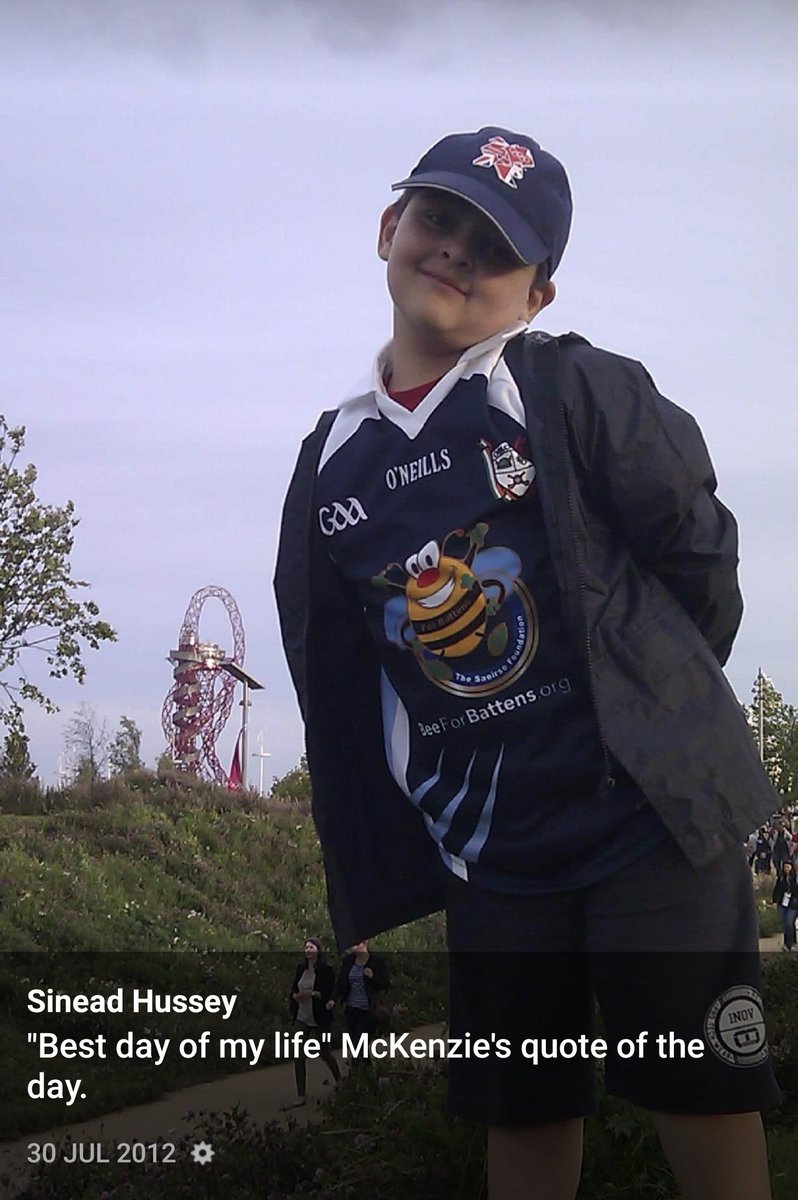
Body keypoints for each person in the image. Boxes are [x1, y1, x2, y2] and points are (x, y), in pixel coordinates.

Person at [275, 125, 781, 1198]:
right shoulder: (330, 462)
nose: (456, 250)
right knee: (525, 1104)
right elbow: (340, 671)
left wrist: (659, 711)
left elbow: (699, 563)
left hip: (647, 826)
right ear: (388, 229)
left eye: (494, 245)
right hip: (492, 859)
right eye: (438, 218)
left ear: (535, 295)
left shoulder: (576, 390)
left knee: (700, 1088)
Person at [286, 937, 340, 1107]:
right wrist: (295, 996)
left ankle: (340, 1080)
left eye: (311, 947)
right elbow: (295, 987)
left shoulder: (326, 970)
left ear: (318, 950)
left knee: (325, 1053)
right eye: (306, 947)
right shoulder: (301, 968)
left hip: (320, 1017)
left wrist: (311, 994)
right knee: (298, 1052)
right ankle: (301, 1094)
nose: (308, 950)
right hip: (303, 1016)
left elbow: (329, 992)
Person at [328, 939, 390, 1043]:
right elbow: (341, 982)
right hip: (351, 1009)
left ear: (365, 942)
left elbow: (385, 984)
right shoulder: (349, 961)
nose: (353, 946)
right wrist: (333, 999)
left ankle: (358, 1059)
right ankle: (362, 1059)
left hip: (368, 1010)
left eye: (356, 943)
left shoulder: (376, 961)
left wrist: (372, 976)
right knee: (355, 1044)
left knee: (360, 1043)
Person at [771, 861, 798, 951]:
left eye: (788, 867)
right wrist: (774, 901)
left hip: (793, 904)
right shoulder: (781, 878)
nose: (786, 869)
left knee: (789, 923)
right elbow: (776, 890)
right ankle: (787, 943)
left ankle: (790, 944)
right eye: (785, 867)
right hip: (783, 903)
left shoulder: (795, 878)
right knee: (785, 925)